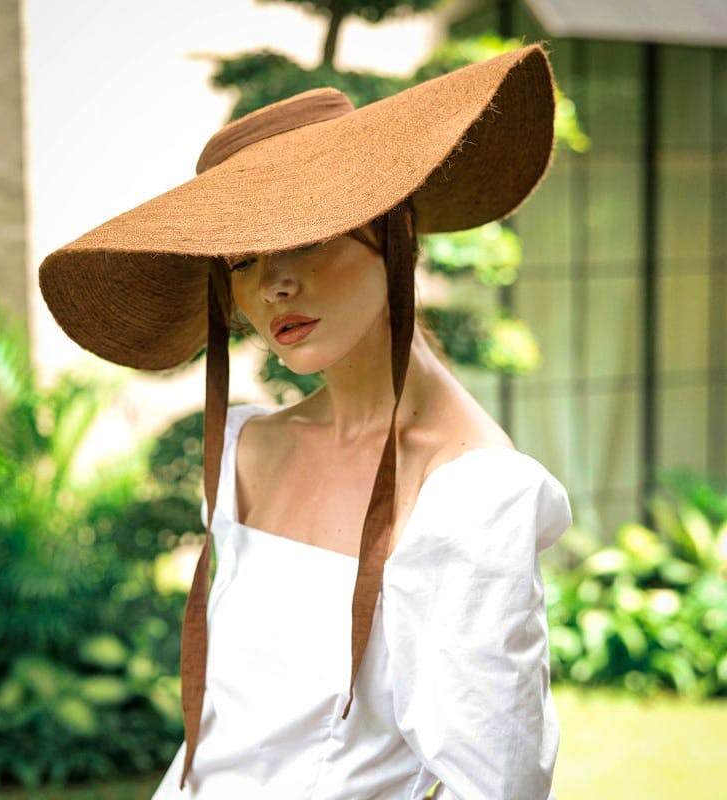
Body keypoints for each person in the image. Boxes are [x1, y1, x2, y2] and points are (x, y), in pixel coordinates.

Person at [38, 42, 573, 799]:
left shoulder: (468, 499)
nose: (276, 284)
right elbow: (233, 733)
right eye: (244, 261)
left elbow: (499, 784)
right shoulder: (249, 453)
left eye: (312, 235)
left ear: (399, 231)